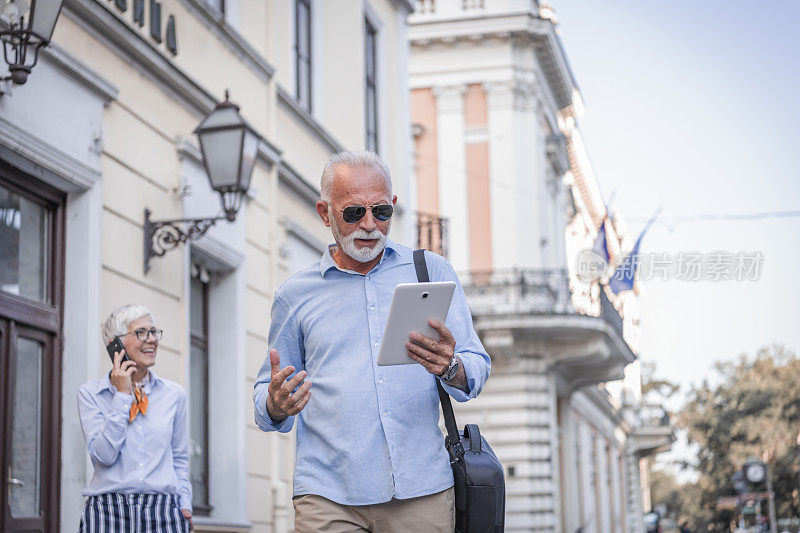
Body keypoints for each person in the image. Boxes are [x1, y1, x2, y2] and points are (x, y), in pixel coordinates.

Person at [253, 150, 491, 532]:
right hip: (329, 497)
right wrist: (276, 404)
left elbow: (477, 367)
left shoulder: (430, 271)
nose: (369, 225)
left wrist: (452, 366)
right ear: (325, 213)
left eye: (381, 212)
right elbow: (266, 398)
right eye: (353, 213)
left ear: (393, 206)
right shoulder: (294, 296)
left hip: (422, 491)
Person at [77, 304, 192, 532]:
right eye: (141, 333)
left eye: (154, 332)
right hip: (108, 511)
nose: (151, 340)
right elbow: (104, 456)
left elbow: (179, 457)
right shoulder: (90, 394)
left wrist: (185, 503)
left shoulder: (174, 394)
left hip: (163, 512)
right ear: (115, 345)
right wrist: (122, 395)